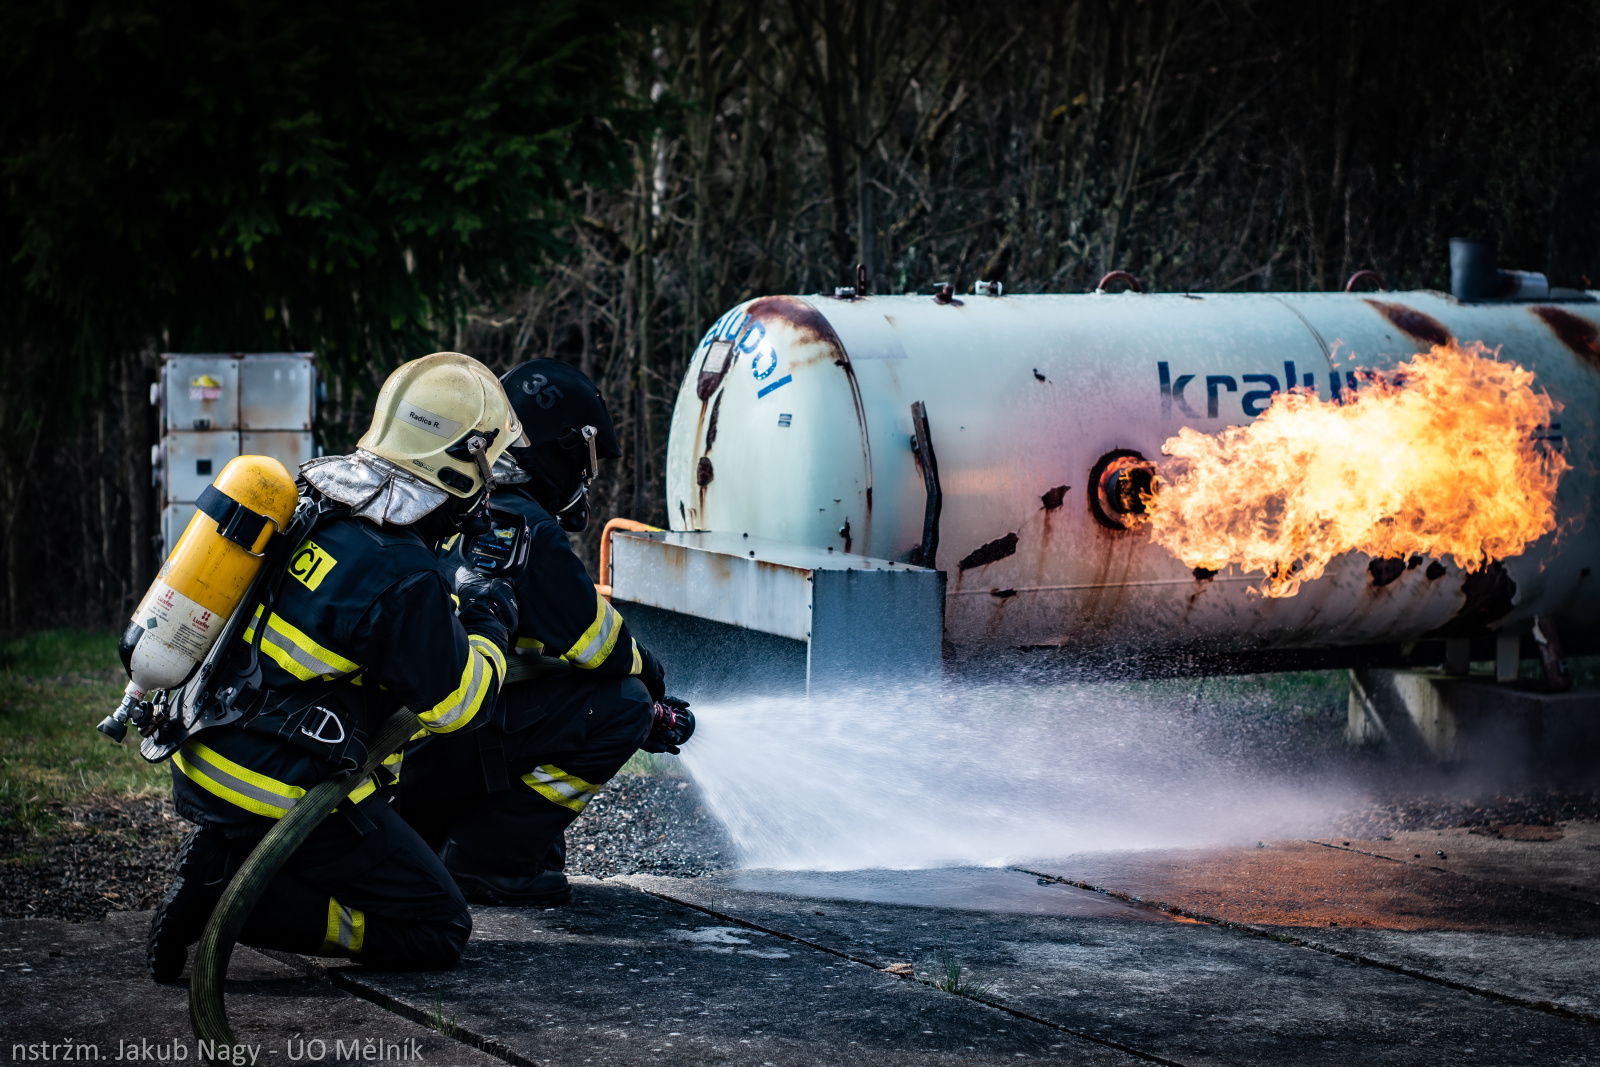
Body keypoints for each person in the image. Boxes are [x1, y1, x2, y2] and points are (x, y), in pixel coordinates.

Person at [147, 352, 523, 980]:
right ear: (461, 465)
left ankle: (223, 856)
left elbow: (358, 614)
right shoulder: (404, 575)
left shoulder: (313, 498)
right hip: (276, 792)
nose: (490, 490)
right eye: (489, 469)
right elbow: (459, 709)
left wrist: (444, 602)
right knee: (439, 928)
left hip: (202, 749)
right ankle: (238, 900)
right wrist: (489, 622)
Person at [398, 359, 692, 906]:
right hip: (441, 739)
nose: (585, 477)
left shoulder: (453, 501)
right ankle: (490, 860)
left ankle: (465, 838)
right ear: (562, 449)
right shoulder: (525, 526)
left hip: (404, 751)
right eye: (585, 461)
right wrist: (654, 681)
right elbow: (601, 646)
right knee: (624, 705)